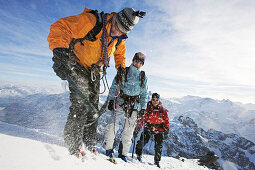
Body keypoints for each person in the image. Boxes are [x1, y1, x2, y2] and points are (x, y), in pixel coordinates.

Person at [47, 7, 145, 157]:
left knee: (93, 109)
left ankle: (89, 142)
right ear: (114, 19)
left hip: (94, 71)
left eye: (122, 32)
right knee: (81, 103)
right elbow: (60, 27)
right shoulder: (92, 22)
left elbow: (120, 53)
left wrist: (120, 68)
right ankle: (72, 144)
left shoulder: (119, 39)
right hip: (77, 64)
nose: (117, 33)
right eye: (117, 27)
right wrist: (60, 51)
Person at [104, 52, 148, 163]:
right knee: (112, 125)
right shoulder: (124, 71)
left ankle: (123, 153)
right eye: (136, 60)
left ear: (142, 64)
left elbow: (144, 93)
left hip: (134, 105)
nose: (137, 63)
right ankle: (109, 149)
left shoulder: (143, 76)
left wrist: (143, 108)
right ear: (133, 60)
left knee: (129, 131)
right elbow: (114, 86)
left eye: (140, 62)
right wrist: (110, 100)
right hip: (120, 101)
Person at [134, 93, 170, 168]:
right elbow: (142, 119)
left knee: (158, 146)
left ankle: (157, 161)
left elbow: (166, 120)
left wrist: (167, 130)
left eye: (156, 100)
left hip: (159, 129)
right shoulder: (147, 108)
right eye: (153, 100)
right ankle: (138, 154)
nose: (155, 101)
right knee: (142, 141)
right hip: (148, 127)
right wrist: (138, 128)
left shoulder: (162, 110)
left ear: (159, 100)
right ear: (151, 99)